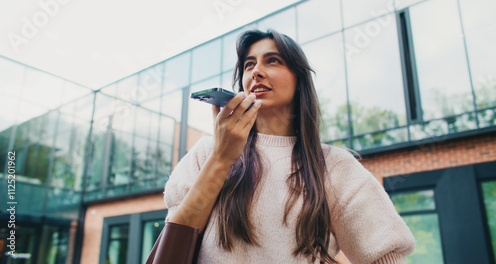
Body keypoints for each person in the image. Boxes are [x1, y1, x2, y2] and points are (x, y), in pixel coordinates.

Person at [163, 29, 416, 264]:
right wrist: (220, 158)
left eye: (272, 60)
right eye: (249, 64)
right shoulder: (206, 151)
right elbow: (174, 245)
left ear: (299, 78)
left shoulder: (334, 166)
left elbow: (384, 256)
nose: (256, 72)